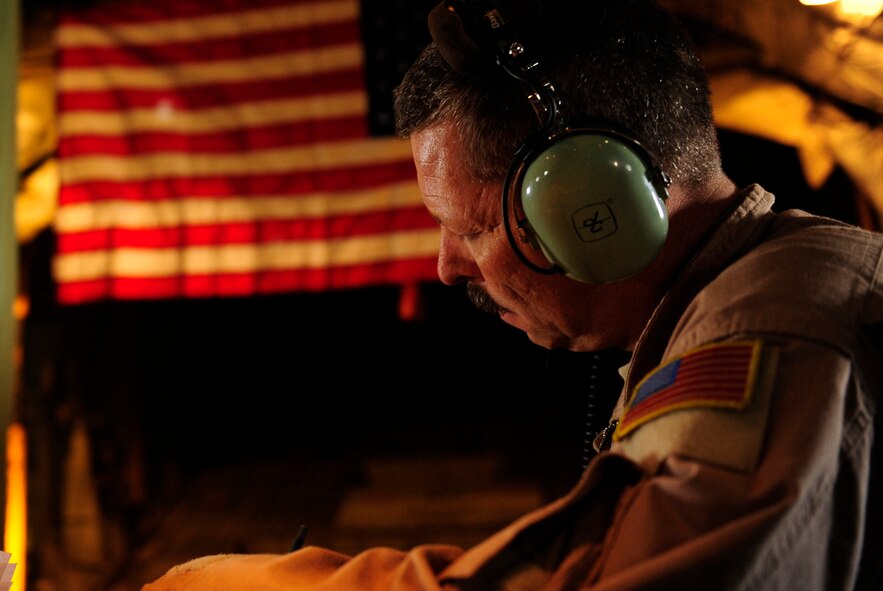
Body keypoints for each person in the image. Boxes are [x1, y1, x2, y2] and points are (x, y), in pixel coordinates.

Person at [143, 0, 883, 589]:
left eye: (465, 228)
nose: (446, 267)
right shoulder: (749, 297)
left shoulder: (774, 327)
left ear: (591, 207)